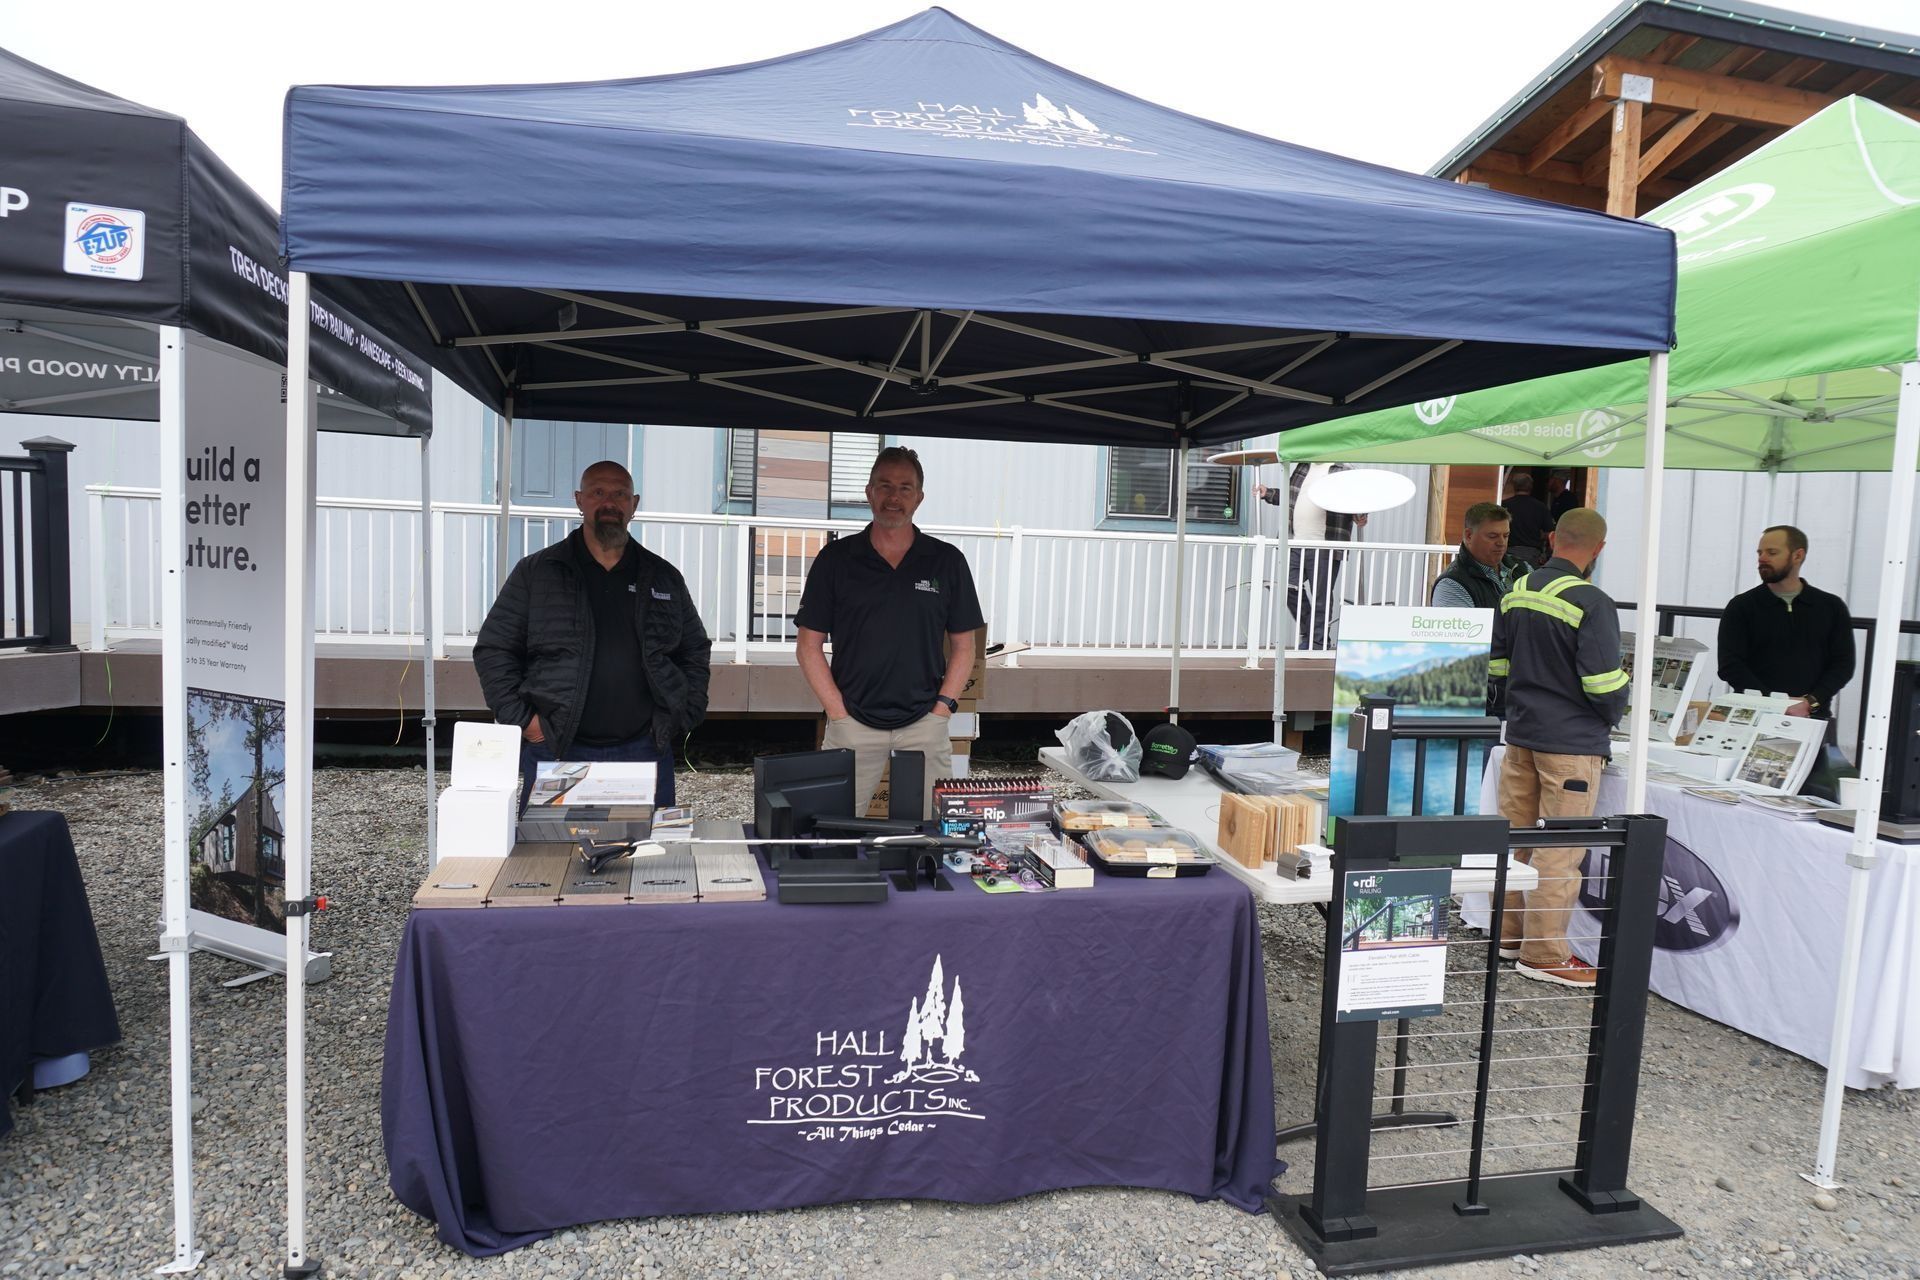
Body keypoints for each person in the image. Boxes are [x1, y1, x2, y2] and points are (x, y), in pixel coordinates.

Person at [474, 460, 712, 811]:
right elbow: (494, 649)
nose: (610, 503)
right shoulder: (538, 573)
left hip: (643, 749)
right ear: (579, 500)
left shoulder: (663, 577)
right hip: (558, 745)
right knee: (551, 856)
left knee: (643, 853)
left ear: (634, 504)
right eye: (598, 492)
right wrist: (524, 721)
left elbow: (694, 650)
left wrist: (683, 713)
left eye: (620, 494)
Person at [796, 446, 986, 816]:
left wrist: (942, 710)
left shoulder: (946, 561)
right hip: (851, 722)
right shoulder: (836, 559)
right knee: (833, 828)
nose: (893, 497)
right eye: (884, 486)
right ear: (869, 492)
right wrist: (838, 713)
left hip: (924, 725)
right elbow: (808, 646)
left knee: (931, 834)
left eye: (904, 488)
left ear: (919, 497)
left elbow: (966, 647)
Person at [1487, 508, 1629, 989]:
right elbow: (1604, 683)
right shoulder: (1593, 601)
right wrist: (1613, 717)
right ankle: (1545, 953)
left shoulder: (1516, 592)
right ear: (1599, 549)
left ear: (1551, 538)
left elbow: (1499, 668)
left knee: (1516, 840)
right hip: (1571, 743)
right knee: (1559, 852)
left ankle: (1507, 937)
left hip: (1521, 737)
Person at [1717, 525, 1855, 719]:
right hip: (1754, 716)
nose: (1762, 558)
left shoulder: (1830, 606)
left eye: (1772, 552)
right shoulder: (1741, 606)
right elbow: (1730, 665)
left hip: (1812, 717)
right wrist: (1773, 704)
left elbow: (1843, 664)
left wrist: (1810, 702)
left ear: (1797, 556)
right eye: (1760, 552)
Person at [1257, 462, 1367, 649]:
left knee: (1321, 595)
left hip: (1325, 545)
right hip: (1294, 541)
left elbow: (1357, 503)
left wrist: (1361, 515)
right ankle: (1314, 633)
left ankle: (1317, 642)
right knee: (1286, 587)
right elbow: (1292, 497)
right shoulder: (1303, 467)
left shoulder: (1345, 470)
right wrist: (1268, 493)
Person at [1430, 502, 1528, 609]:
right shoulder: (1451, 585)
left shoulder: (1523, 568)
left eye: (1506, 536)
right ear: (1469, 535)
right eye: (1493, 536)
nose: (1501, 543)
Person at [1502, 471, 1554, 567]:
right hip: (1532, 555)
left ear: (1514, 486)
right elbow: (1550, 533)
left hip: (1509, 553)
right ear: (1531, 487)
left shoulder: (1504, 505)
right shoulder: (1540, 507)